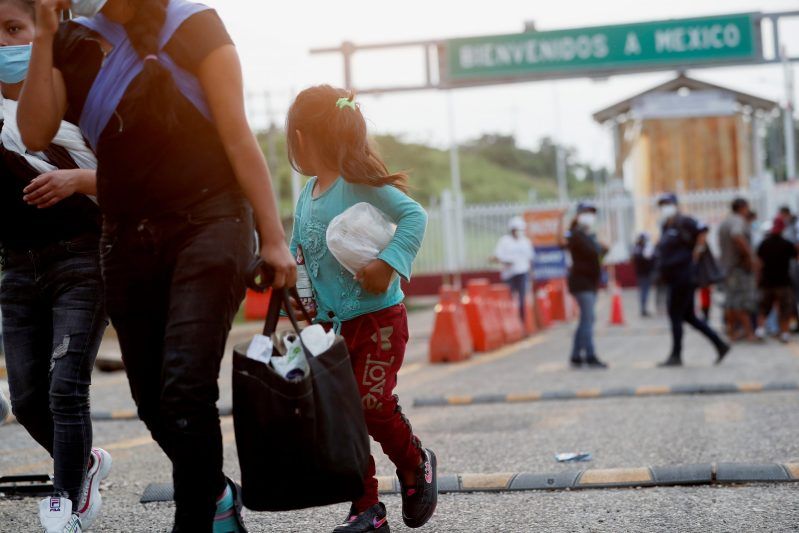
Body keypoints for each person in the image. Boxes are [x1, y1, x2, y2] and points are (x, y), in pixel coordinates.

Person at [19, 1, 296, 531]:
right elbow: (35, 131)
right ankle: (216, 496)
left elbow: (238, 135)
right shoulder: (71, 40)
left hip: (211, 222)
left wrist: (275, 238)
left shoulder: (195, 24)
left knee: (186, 386)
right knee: (153, 403)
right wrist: (46, 35)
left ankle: (194, 521)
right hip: (125, 238)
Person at [286, 85, 436, 533]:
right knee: (341, 417)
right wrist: (291, 280)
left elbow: (415, 216)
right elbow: (299, 247)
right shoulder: (308, 192)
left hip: (378, 321)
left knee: (370, 404)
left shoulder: (359, 183)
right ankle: (366, 508)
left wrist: (388, 262)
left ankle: (415, 465)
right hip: (330, 328)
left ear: (302, 136)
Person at [0, 1, 111, 531]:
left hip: (83, 259)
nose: (2, 42)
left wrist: (77, 180)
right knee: (25, 400)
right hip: (16, 270)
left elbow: (138, 176)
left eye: (12, 28)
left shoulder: (77, 95)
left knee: (65, 385)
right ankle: (84, 462)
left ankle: (67, 502)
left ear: (39, 29)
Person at [655, 193, 730, 367]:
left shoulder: (684, 221)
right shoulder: (666, 225)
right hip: (673, 276)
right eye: (662, 204)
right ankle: (720, 345)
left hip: (684, 276)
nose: (665, 207)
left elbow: (703, 229)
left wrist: (697, 251)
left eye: (667, 203)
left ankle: (676, 355)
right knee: (689, 316)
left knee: (675, 316)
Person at [559, 202, 607, 368]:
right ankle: (590, 356)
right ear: (578, 215)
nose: (589, 216)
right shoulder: (575, 235)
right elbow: (562, 242)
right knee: (588, 320)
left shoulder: (588, 235)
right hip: (581, 283)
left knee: (587, 319)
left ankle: (575, 355)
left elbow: (599, 255)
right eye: (585, 212)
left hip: (591, 283)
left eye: (591, 213)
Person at [718, 198, 758, 341]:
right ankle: (748, 333)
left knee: (731, 302)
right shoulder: (737, 221)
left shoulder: (726, 222)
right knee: (741, 302)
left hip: (728, 268)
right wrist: (750, 256)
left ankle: (732, 332)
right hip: (738, 268)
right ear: (743, 208)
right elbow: (737, 236)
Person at [756, 217, 798, 343]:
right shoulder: (787, 244)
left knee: (764, 308)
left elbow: (759, 263)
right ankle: (784, 332)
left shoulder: (764, 244)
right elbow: (796, 256)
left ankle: (761, 330)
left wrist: (758, 279)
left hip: (767, 282)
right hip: (783, 282)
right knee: (784, 309)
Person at [494, 216, 534, 323]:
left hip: (522, 272)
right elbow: (497, 257)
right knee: (509, 299)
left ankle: (522, 321)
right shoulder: (504, 241)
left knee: (522, 298)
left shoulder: (525, 242)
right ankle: (510, 321)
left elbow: (530, 259)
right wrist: (506, 261)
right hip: (509, 274)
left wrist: (531, 274)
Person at [632, 232, 656, 317]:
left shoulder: (638, 248)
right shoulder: (641, 249)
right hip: (644, 273)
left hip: (643, 273)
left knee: (644, 291)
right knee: (644, 292)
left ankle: (643, 308)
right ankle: (643, 309)